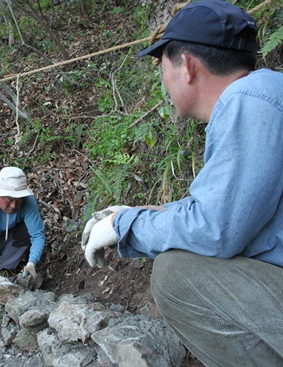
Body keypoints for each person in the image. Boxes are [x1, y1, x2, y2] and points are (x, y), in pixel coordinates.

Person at [81, 1, 283, 366]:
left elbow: (215, 230)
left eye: (161, 67)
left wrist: (123, 226)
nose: (163, 80)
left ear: (186, 66)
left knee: (177, 275)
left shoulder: (248, 100)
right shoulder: (265, 96)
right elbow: (233, 217)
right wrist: (141, 214)